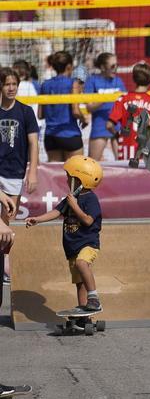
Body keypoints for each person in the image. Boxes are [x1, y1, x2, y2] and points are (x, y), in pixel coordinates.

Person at [26, 155, 106, 323]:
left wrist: (75, 205)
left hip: (88, 244)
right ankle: (85, 314)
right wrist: (37, 220)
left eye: (70, 176)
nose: (67, 178)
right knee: (79, 282)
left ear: (79, 179)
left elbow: (88, 220)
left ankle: (94, 298)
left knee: (82, 264)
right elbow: (56, 212)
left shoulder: (90, 199)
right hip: (72, 247)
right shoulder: (70, 198)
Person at [0, 67, 39, 232]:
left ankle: (5, 256)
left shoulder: (25, 111)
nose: (11, 88)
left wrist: (32, 172)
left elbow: (33, 143)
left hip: (15, 171)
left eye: (14, 84)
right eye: (7, 84)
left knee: (8, 219)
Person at [107, 62, 150, 163]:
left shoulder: (122, 99)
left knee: (126, 178)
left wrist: (118, 135)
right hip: (147, 152)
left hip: (126, 151)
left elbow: (109, 125)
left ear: (133, 79)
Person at [40, 51, 86, 161]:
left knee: (55, 176)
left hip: (51, 136)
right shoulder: (73, 83)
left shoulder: (45, 84)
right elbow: (75, 111)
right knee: (76, 174)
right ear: (69, 67)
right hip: (69, 135)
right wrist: (84, 119)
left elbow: (40, 115)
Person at [84, 52, 126, 161]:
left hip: (117, 126)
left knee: (123, 164)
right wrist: (106, 98)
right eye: (112, 66)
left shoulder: (118, 80)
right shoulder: (92, 81)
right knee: (92, 164)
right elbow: (89, 108)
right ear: (102, 67)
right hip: (100, 126)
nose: (115, 68)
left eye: (117, 65)